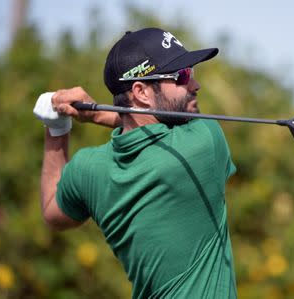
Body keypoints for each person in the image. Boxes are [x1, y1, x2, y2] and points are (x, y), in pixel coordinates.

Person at [33, 27, 237, 298]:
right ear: (141, 92)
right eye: (182, 76)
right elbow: (150, 126)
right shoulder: (203, 143)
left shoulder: (89, 169)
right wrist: (97, 116)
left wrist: (55, 127)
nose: (194, 85)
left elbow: (51, 211)